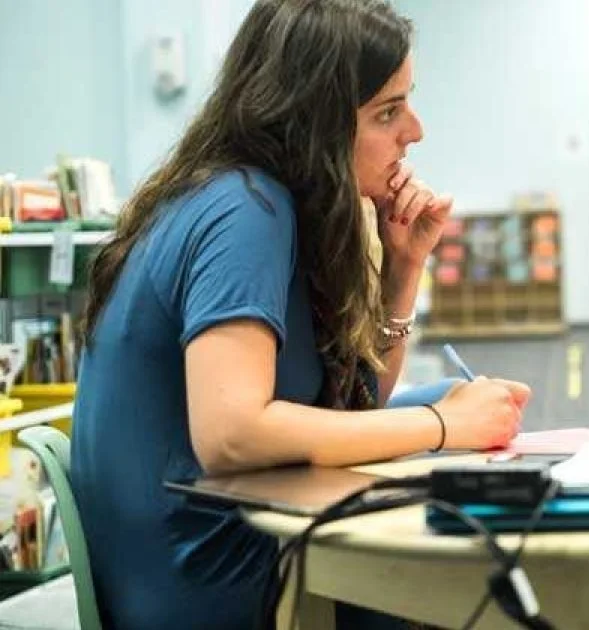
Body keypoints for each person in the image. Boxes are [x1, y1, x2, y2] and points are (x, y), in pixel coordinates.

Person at [70, 2, 530, 628]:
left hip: (196, 550)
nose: (414, 131)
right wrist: (442, 426)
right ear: (314, 124)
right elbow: (231, 433)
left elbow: (352, 403)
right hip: (207, 581)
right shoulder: (246, 213)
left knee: (449, 398)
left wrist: (403, 269)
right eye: (387, 112)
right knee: (471, 576)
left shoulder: (248, 196)